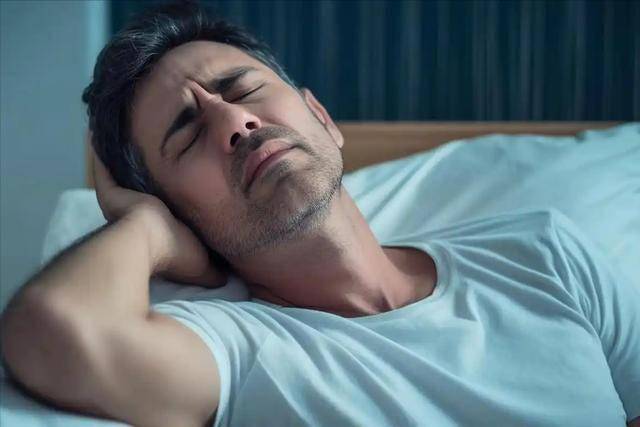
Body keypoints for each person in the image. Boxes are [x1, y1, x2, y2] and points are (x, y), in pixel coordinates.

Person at [1, 2, 638, 427]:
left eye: (241, 89)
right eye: (187, 132)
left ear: (322, 118)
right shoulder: (241, 353)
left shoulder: (542, 251)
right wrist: (145, 229)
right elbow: (53, 334)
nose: (235, 122)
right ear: (177, 214)